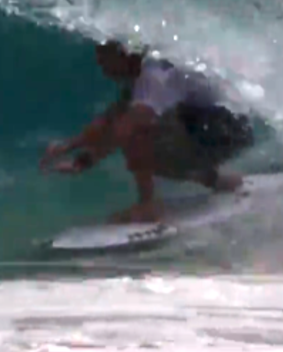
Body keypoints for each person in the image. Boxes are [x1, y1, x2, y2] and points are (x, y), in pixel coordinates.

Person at [40, 40, 255, 223]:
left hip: (226, 129)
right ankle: (218, 181)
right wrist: (69, 146)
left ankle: (148, 206)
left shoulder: (152, 77)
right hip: (231, 126)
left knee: (140, 132)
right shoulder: (148, 69)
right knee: (142, 127)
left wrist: (83, 161)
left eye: (104, 57)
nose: (100, 65)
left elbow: (125, 129)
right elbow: (111, 118)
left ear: (124, 54)